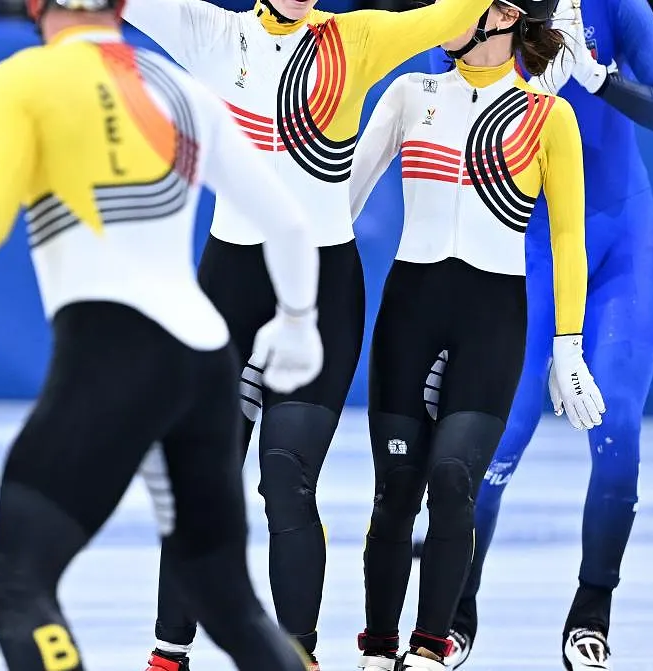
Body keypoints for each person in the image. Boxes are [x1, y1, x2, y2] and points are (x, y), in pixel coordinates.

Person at [0, 0, 329, 668]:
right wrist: (299, 321)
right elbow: (290, 224)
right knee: (227, 602)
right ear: (123, 5)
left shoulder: (28, 78)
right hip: (205, 361)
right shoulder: (183, 89)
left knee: (14, 578)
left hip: (115, 351)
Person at [118, 0, 502, 666]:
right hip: (230, 286)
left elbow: (456, 10)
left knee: (286, 475)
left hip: (323, 290)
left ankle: (296, 654)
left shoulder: (355, 38)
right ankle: (166, 652)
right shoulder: (212, 33)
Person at [418, 0, 653, 667]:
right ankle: (458, 606)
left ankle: (592, 609)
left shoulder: (615, 7)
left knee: (618, 425)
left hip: (617, 241)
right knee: (496, 435)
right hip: (527, 247)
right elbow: (438, 144)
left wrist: (602, 81)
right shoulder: (465, 14)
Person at [345, 0, 605, 668]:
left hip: (491, 320)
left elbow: (569, 237)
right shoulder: (409, 94)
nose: (438, 14)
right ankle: (377, 651)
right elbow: (340, 198)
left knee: (455, 479)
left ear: (504, 14)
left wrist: (569, 346)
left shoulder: (550, 116)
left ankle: (430, 650)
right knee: (396, 485)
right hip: (410, 313)